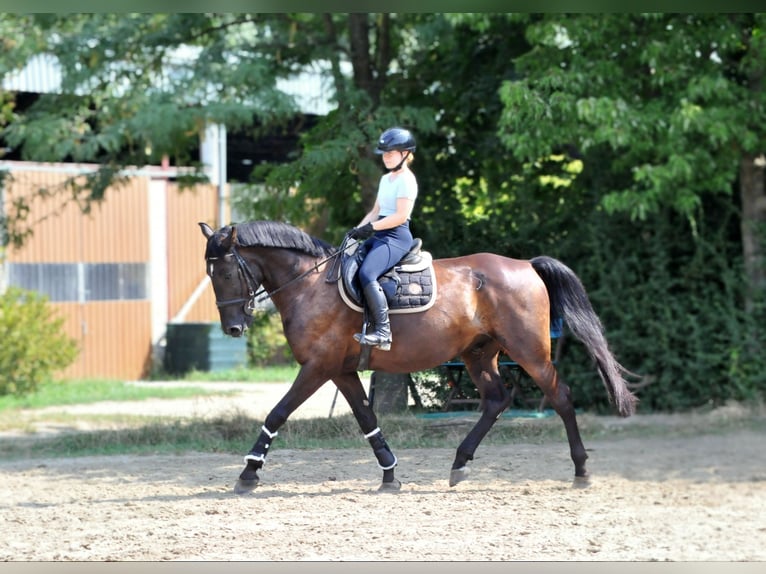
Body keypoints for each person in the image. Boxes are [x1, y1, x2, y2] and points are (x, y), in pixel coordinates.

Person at [347, 126, 419, 351]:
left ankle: (383, 332)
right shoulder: (386, 179)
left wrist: (371, 227)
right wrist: (356, 231)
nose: (386, 157)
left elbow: (400, 216)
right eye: (385, 154)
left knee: (368, 274)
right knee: (349, 263)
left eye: (391, 153)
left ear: (405, 154)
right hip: (380, 233)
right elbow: (376, 210)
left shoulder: (407, 180)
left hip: (396, 237)